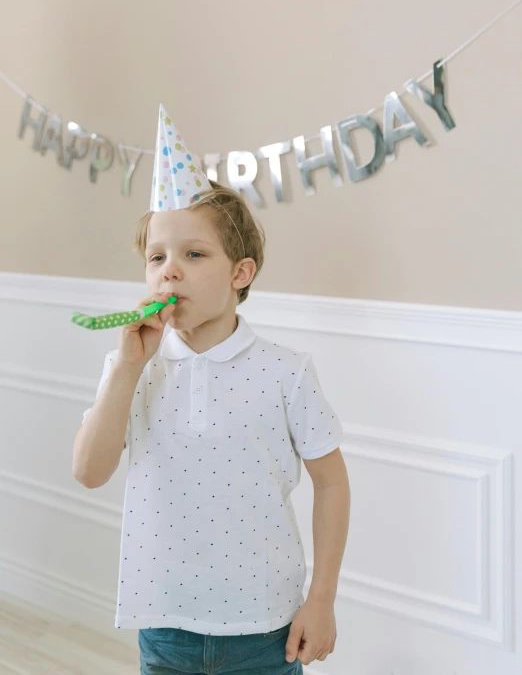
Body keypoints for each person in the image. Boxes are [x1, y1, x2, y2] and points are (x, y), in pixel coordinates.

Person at [72, 106, 350, 673]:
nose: (169, 271)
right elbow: (89, 471)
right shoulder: (129, 368)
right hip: (164, 625)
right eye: (157, 257)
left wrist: (320, 600)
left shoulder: (285, 372)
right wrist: (126, 369)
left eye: (193, 254)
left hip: (267, 630)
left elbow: (332, 485)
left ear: (240, 274)